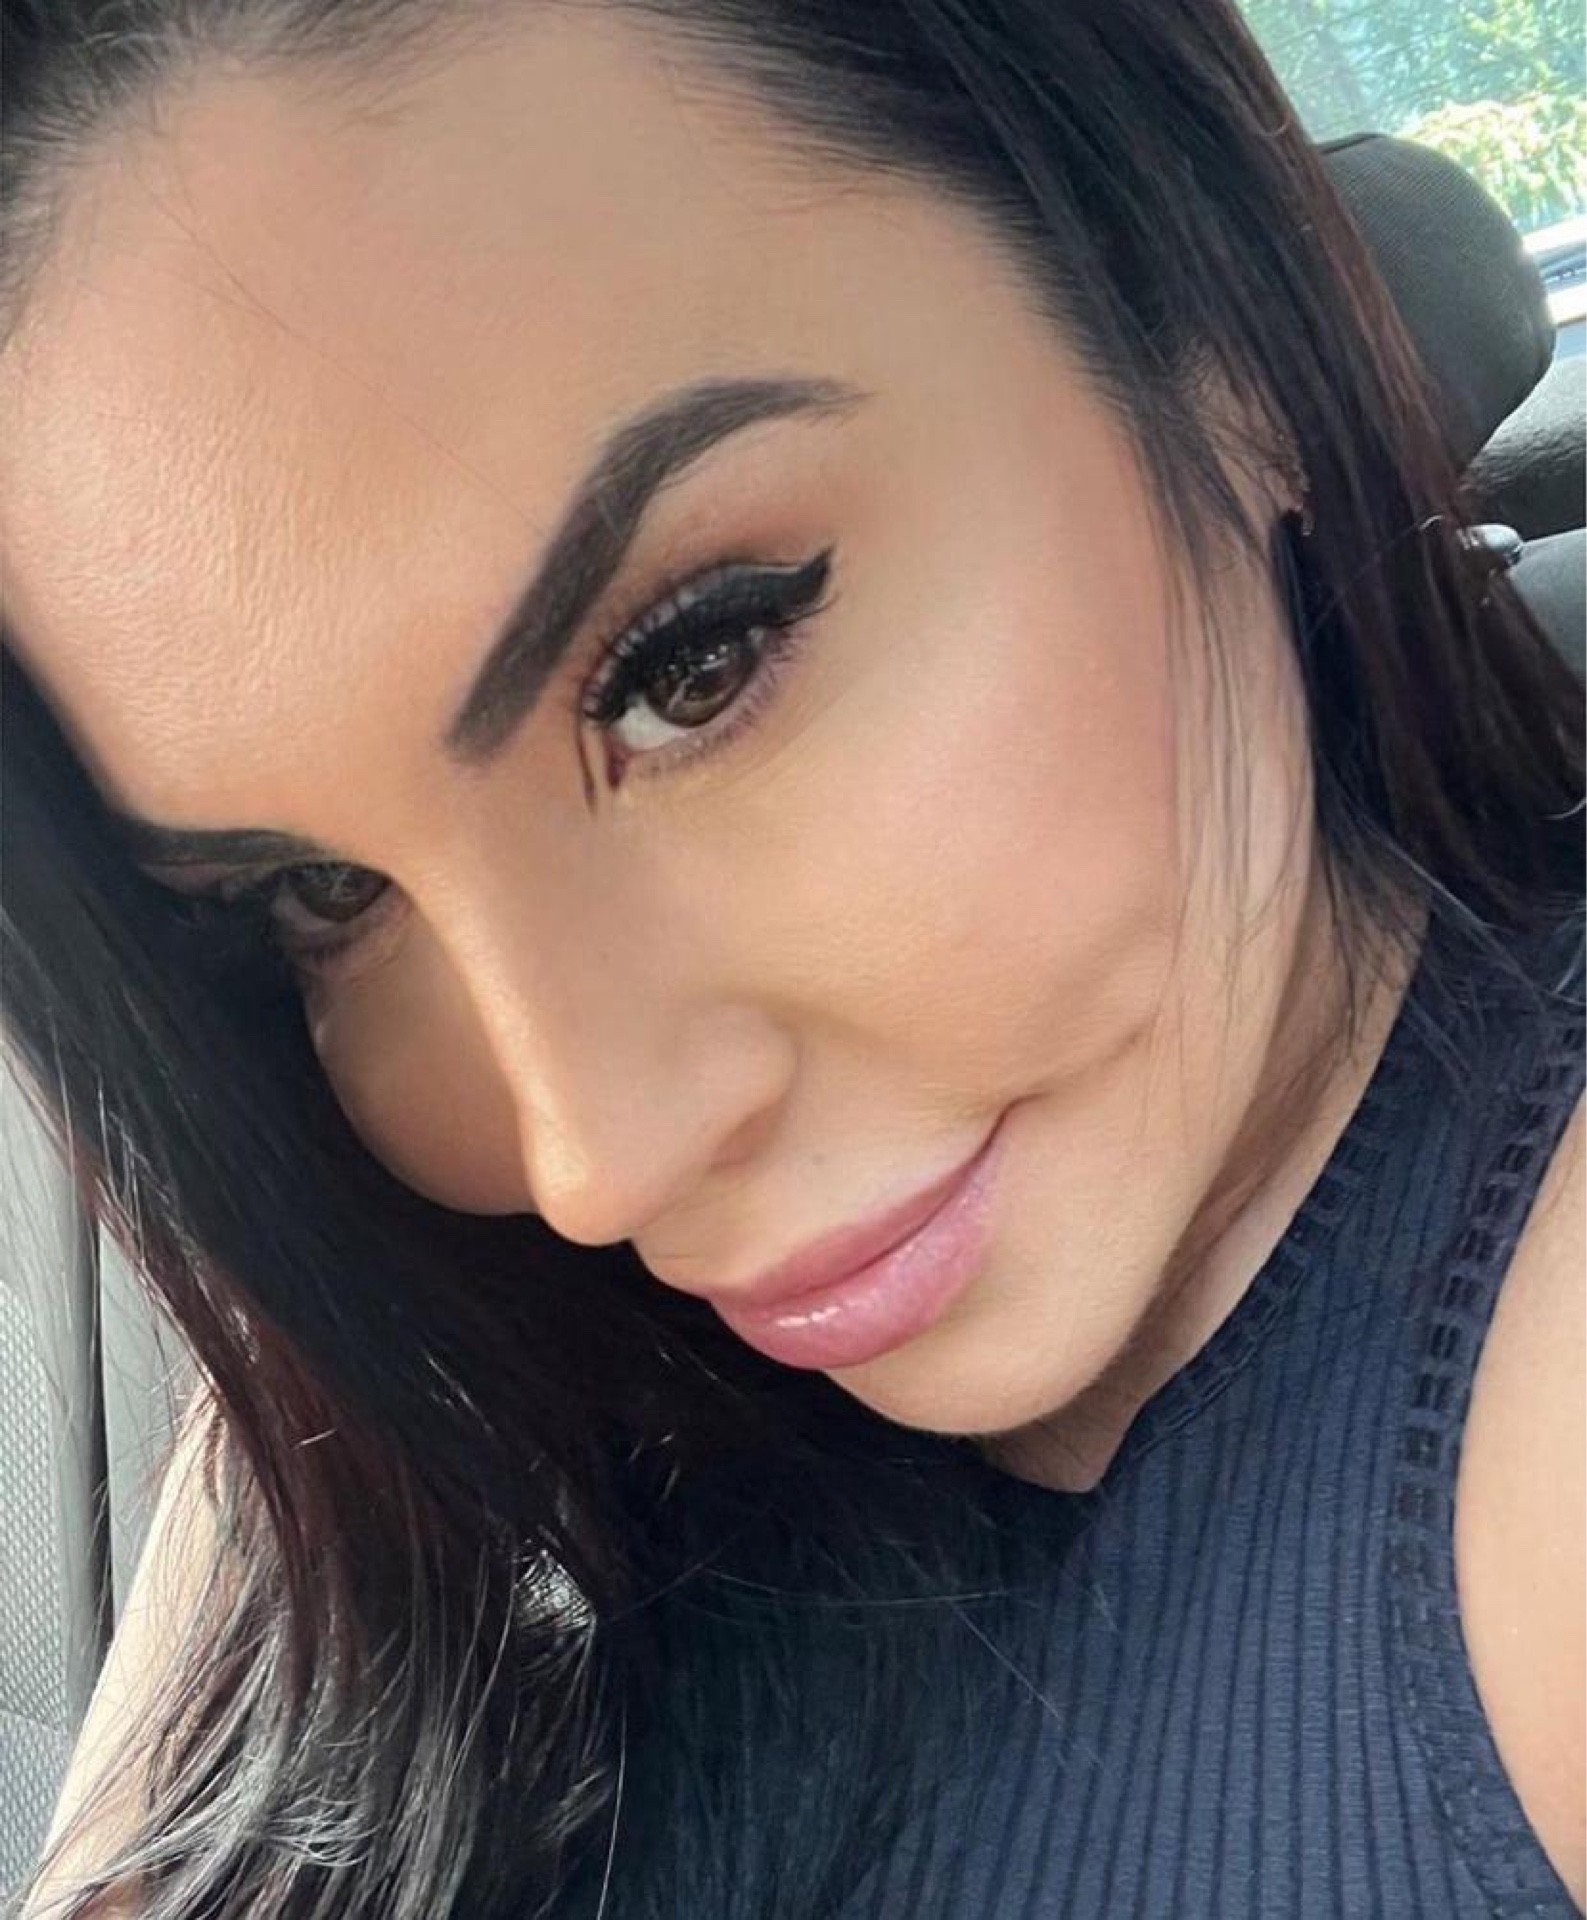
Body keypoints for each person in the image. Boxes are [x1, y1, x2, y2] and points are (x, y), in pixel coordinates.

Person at [1, 2, 1581, 1915]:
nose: (592, 1162)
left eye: (695, 663)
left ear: (1217, 334)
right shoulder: (381, 1441)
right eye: (317, 894)